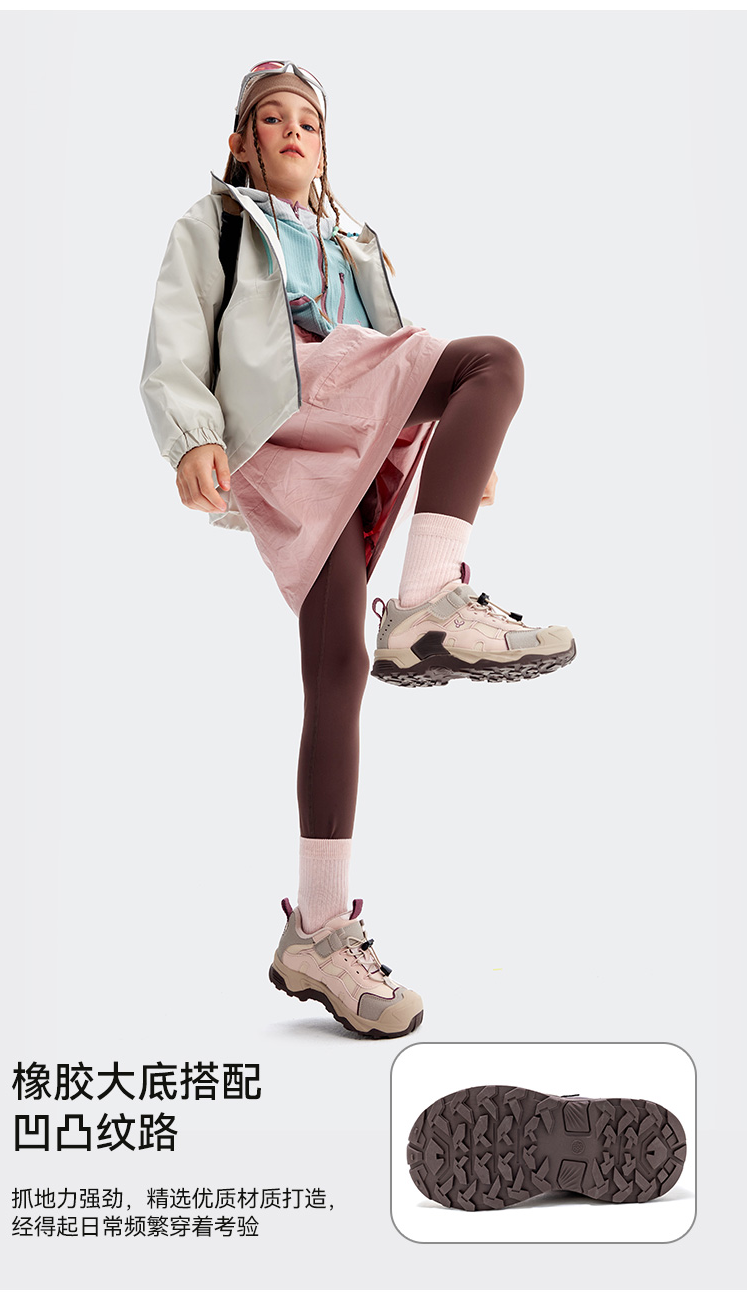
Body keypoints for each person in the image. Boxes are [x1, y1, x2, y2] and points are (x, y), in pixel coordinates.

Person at [140, 61, 576, 1041]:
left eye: (309, 121)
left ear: (325, 147)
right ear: (240, 142)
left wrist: (462, 440)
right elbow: (174, 343)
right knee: (493, 363)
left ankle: (318, 930)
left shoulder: (354, 244)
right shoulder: (215, 227)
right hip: (280, 429)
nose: (294, 131)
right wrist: (190, 435)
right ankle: (426, 605)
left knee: (341, 662)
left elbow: (398, 352)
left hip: (352, 425)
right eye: (272, 119)